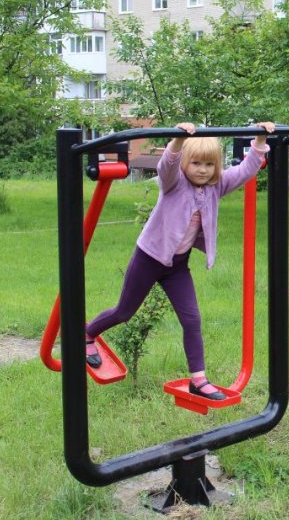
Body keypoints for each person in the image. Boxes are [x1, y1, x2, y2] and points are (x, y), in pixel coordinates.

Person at [85, 121, 276, 400]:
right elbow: (167, 165)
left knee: (192, 319)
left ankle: (198, 380)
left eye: (209, 164)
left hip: (177, 267)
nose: (203, 170)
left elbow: (247, 169)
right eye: (196, 163)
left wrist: (259, 140)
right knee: (124, 312)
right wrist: (177, 141)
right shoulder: (173, 183)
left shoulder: (217, 186)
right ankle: (88, 334)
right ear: (186, 163)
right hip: (149, 258)